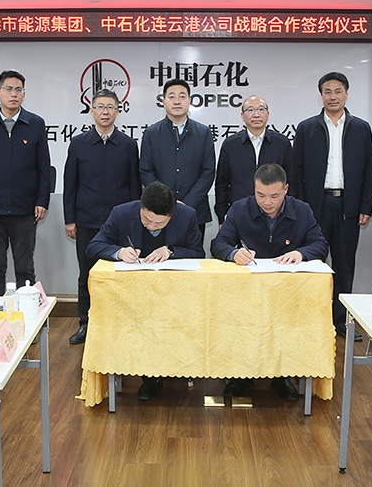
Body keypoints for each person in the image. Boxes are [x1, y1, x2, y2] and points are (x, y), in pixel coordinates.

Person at [211, 163, 328, 400]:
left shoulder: (301, 210)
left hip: (287, 288)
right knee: (241, 324)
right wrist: (234, 253)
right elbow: (218, 243)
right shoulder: (240, 208)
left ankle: (281, 376)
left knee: (285, 326)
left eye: (274, 196)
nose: (267, 202)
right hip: (248, 288)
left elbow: (320, 244)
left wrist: (301, 253)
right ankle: (240, 375)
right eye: (260, 195)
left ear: (285, 189)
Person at [87, 182, 204, 400]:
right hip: (133, 296)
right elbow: (94, 246)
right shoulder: (122, 213)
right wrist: (119, 252)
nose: (151, 226)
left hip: (173, 293)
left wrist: (171, 251)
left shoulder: (187, 215)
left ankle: (178, 366)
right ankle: (150, 377)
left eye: (159, 223)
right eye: (146, 220)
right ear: (141, 207)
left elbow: (198, 252)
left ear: (171, 215)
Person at [293, 72, 372, 341]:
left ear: (346, 94)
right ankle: (312, 319)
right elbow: (296, 171)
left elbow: (370, 170)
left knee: (344, 266)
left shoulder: (361, 128)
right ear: (321, 96)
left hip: (347, 207)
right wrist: (299, 208)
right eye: (327, 91)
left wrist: (366, 206)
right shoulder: (307, 128)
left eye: (338, 91)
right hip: (314, 208)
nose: (333, 96)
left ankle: (341, 321)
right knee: (312, 265)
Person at [63, 89, 140, 345]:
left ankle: (120, 323)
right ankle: (85, 323)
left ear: (118, 111)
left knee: (121, 273)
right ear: (91, 111)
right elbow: (70, 184)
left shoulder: (128, 145)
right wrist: (70, 219)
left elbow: (134, 187)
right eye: (100, 107)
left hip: (120, 223)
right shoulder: (79, 143)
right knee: (87, 273)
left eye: (110, 107)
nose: (105, 112)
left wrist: (134, 221)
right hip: (86, 220)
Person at [0, 70, 51, 295]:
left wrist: (42, 201)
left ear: (24, 94)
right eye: (8, 89)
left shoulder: (35, 123)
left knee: (25, 268)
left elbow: (44, 168)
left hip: (25, 209)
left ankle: (27, 313)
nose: (13, 94)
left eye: (18, 90)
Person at [140, 79, 215, 245]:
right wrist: (165, 201)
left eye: (182, 96)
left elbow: (208, 172)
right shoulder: (152, 133)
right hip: (158, 213)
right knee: (158, 258)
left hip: (194, 211)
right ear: (163, 102)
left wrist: (186, 204)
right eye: (171, 96)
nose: (177, 101)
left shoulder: (203, 133)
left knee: (192, 257)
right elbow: (146, 171)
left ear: (189, 100)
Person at [214, 95, 293, 223]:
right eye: (250, 110)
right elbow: (221, 183)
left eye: (261, 109)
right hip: (239, 213)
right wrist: (222, 217)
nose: (256, 115)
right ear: (242, 116)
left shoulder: (282, 143)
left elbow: (292, 180)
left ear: (268, 114)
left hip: (275, 213)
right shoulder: (231, 144)